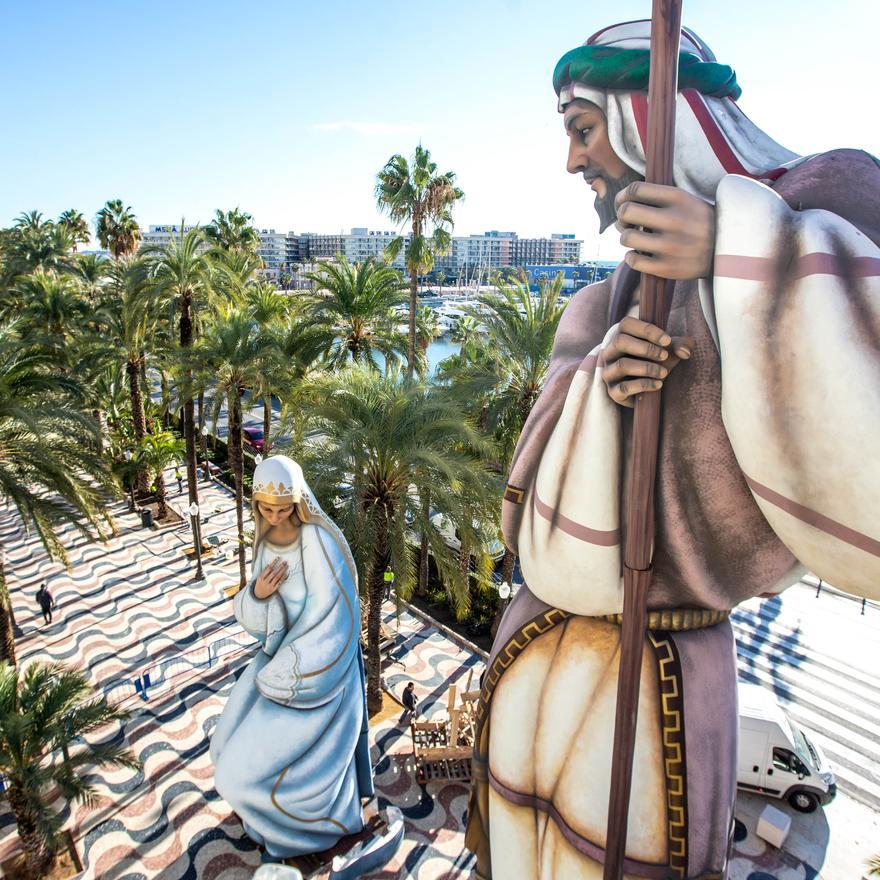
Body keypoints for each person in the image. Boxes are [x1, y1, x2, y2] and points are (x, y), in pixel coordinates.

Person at [466, 20, 880, 880]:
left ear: (641, 121)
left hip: (662, 683)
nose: (573, 162)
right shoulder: (594, 309)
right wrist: (600, 390)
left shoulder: (827, 199)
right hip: (536, 651)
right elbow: (523, 508)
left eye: (582, 132)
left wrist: (734, 256)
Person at [210, 455, 374, 861]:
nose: (276, 515)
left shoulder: (318, 541)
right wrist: (258, 597)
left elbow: (337, 615)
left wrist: (298, 667)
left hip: (317, 678)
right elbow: (263, 617)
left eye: (283, 508)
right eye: (266, 508)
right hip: (274, 663)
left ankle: (308, 833)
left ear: (299, 501)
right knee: (221, 750)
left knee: (236, 775)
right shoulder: (265, 541)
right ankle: (267, 823)